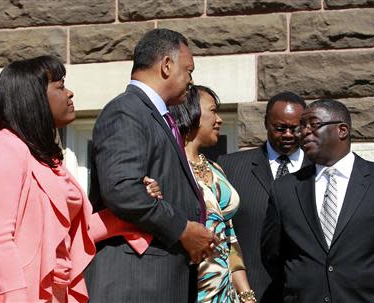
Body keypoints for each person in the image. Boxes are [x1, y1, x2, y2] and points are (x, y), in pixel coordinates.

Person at [0, 55, 157, 303]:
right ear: (33, 98)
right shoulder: (1, 145)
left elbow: (76, 231)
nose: (70, 93)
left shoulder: (47, 161)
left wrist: (134, 205)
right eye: (60, 86)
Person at [85, 29, 216, 302]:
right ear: (166, 66)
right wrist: (183, 229)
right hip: (137, 280)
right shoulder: (126, 111)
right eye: (188, 70)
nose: (191, 80)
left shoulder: (155, 115)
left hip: (161, 278)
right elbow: (122, 189)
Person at [261, 99, 374, 303]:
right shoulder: (284, 189)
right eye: (302, 126)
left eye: (313, 124)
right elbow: (273, 256)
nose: (304, 132)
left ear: (342, 130)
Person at [217, 91, 309, 301]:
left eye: (295, 128)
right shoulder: (230, 167)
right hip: (247, 292)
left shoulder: (319, 170)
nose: (288, 134)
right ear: (266, 123)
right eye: (280, 128)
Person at [168, 84, 256, 303]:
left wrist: (246, 294)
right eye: (213, 111)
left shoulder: (216, 169)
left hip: (225, 293)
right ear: (191, 112)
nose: (220, 120)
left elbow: (230, 237)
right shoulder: (170, 167)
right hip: (189, 288)